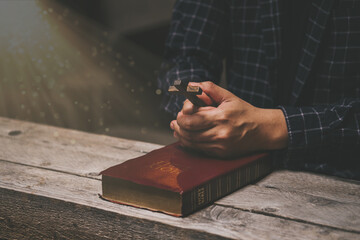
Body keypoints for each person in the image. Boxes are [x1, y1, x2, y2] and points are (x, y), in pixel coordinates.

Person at [158, 0, 360, 180]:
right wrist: (197, 112)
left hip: (342, 180)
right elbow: (184, 56)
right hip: (235, 170)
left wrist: (275, 127)